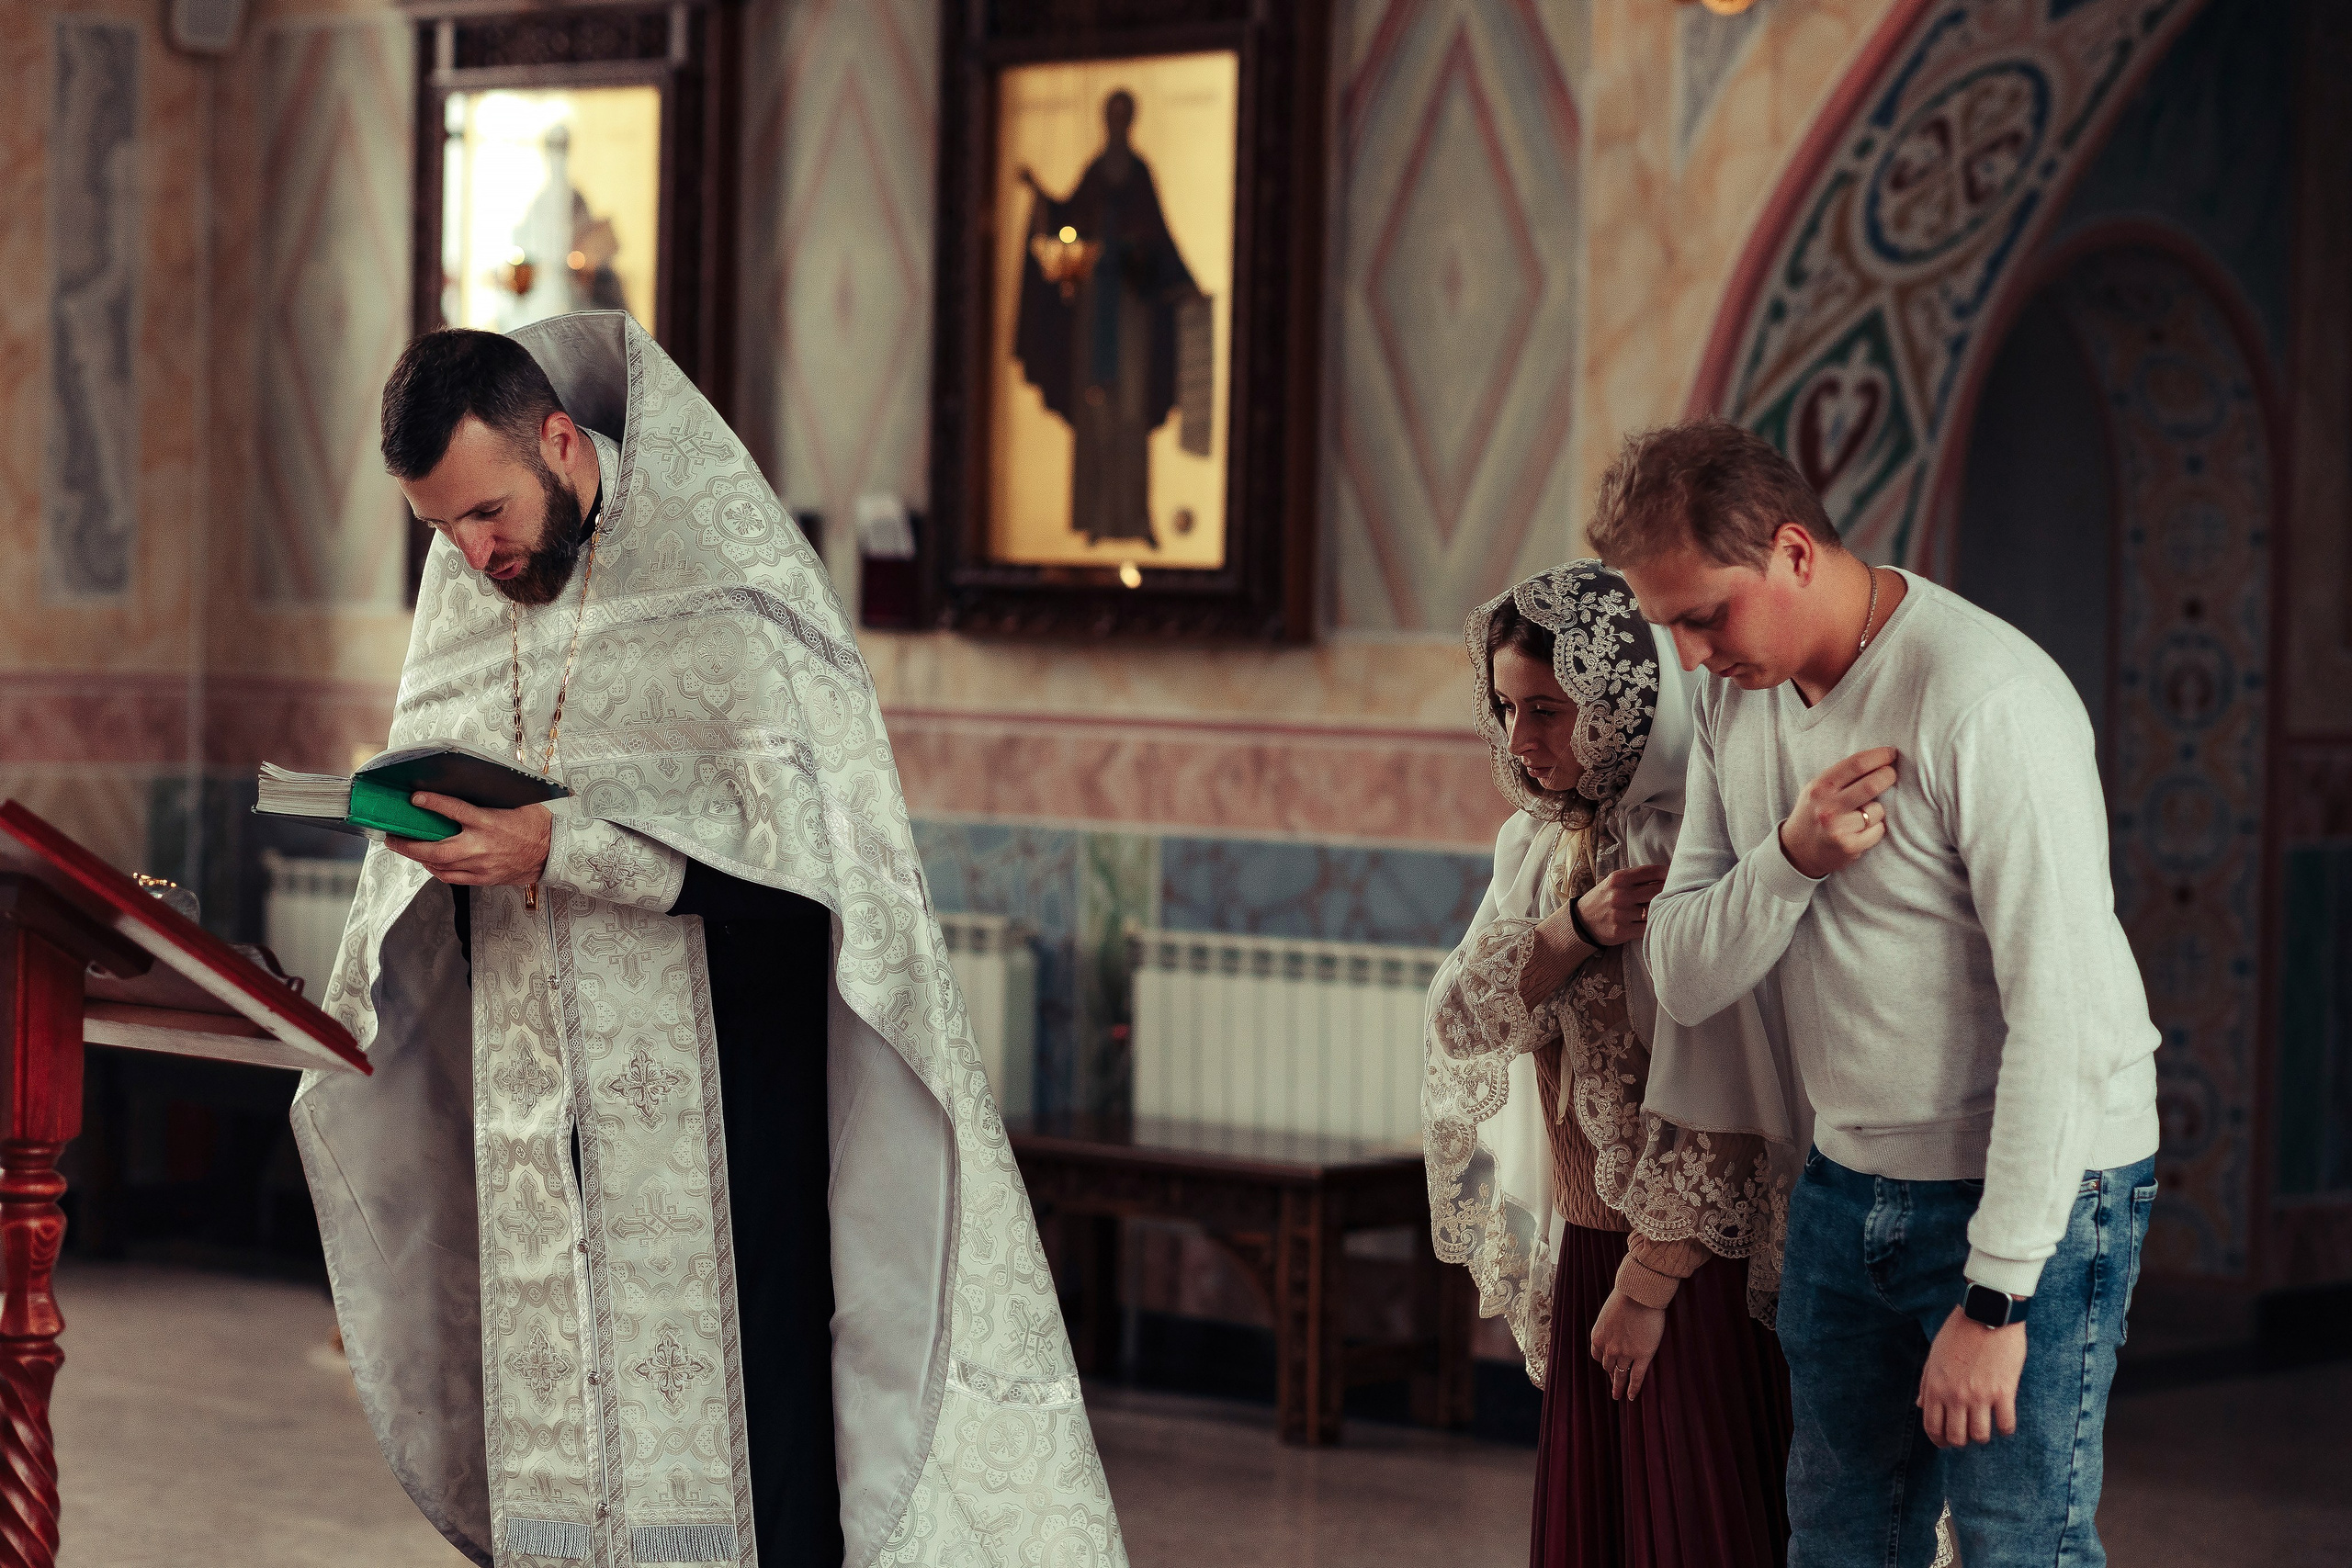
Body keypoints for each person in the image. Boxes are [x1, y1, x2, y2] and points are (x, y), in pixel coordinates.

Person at [291, 313, 1128, 1568]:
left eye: (487, 512)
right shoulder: (471, 588)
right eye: (440, 529)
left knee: (750, 1460)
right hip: (534, 1106)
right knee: (558, 1447)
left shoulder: (730, 580)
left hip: (727, 1120)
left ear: (562, 444)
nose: (471, 555)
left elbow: (813, 886)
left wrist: (561, 847)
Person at [1591, 419, 2159, 1568]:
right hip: (1847, 1184)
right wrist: (1790, 860)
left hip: (2039, 1191)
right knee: (1839, 1540)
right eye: (1669, 629)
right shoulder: (1730, 701)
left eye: (1705, 615)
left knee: (2018, 1547)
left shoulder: (1988, 697)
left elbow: (2060, 1010)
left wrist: (1999, 1301)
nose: (1691, 658)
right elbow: (1690, 972)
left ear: (1794, 552)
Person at [1424, 560, 1807, 1568]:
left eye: (1547, 710)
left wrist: (1649, 1285)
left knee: (1690, 1525)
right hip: (1591, 1242)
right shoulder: (1537, 846)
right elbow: (1458, 1019)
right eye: (1506, 709)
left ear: (1619, 699)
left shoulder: (1687, 845)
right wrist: (1572, 933)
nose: (1519, 741)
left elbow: (1727, 1103)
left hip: (1684, 1261)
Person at [1012, 88, 1205, 546]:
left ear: (1130, 121)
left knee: (1131, 412)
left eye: (1124, 116)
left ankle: (1133, 518)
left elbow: (1159, 237)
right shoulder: (1096, 174)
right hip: (1093, 310)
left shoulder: (1139, 175)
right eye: (1111, 115)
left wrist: (1183, 285)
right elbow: (1068, 220)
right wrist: (1040, 195)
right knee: (1094, 409)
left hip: (1132, 310)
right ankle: (1097, 517)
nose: (1116, 123)